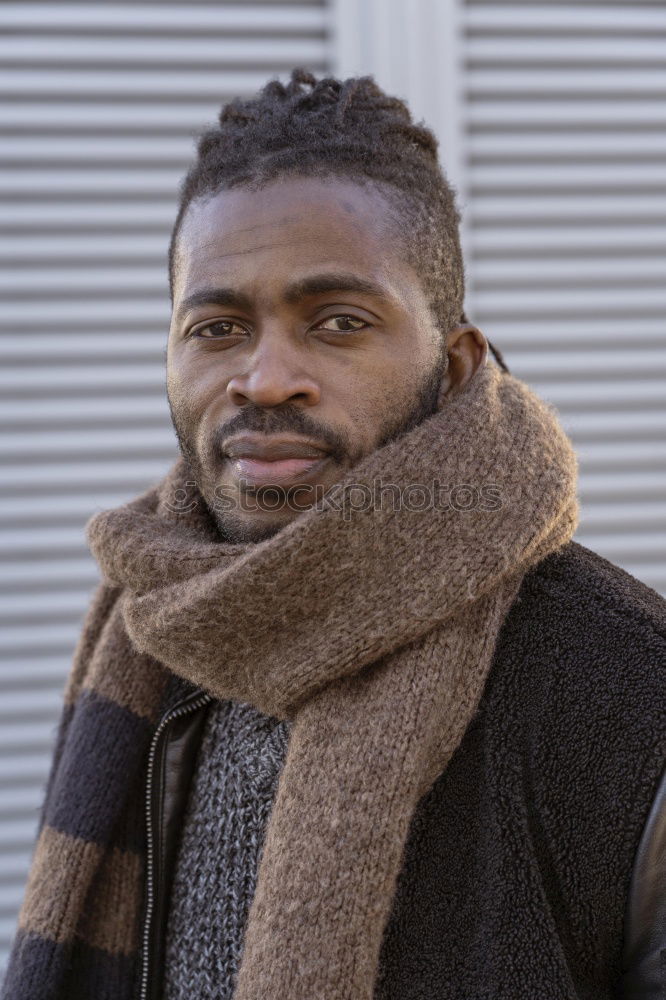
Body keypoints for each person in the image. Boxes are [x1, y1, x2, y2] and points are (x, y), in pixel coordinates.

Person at [2, 68, 664, 1000]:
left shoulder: (630, 686)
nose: (266, 379)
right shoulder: (149, 631)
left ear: (456, 362)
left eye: (340, 322)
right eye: (218, 326)